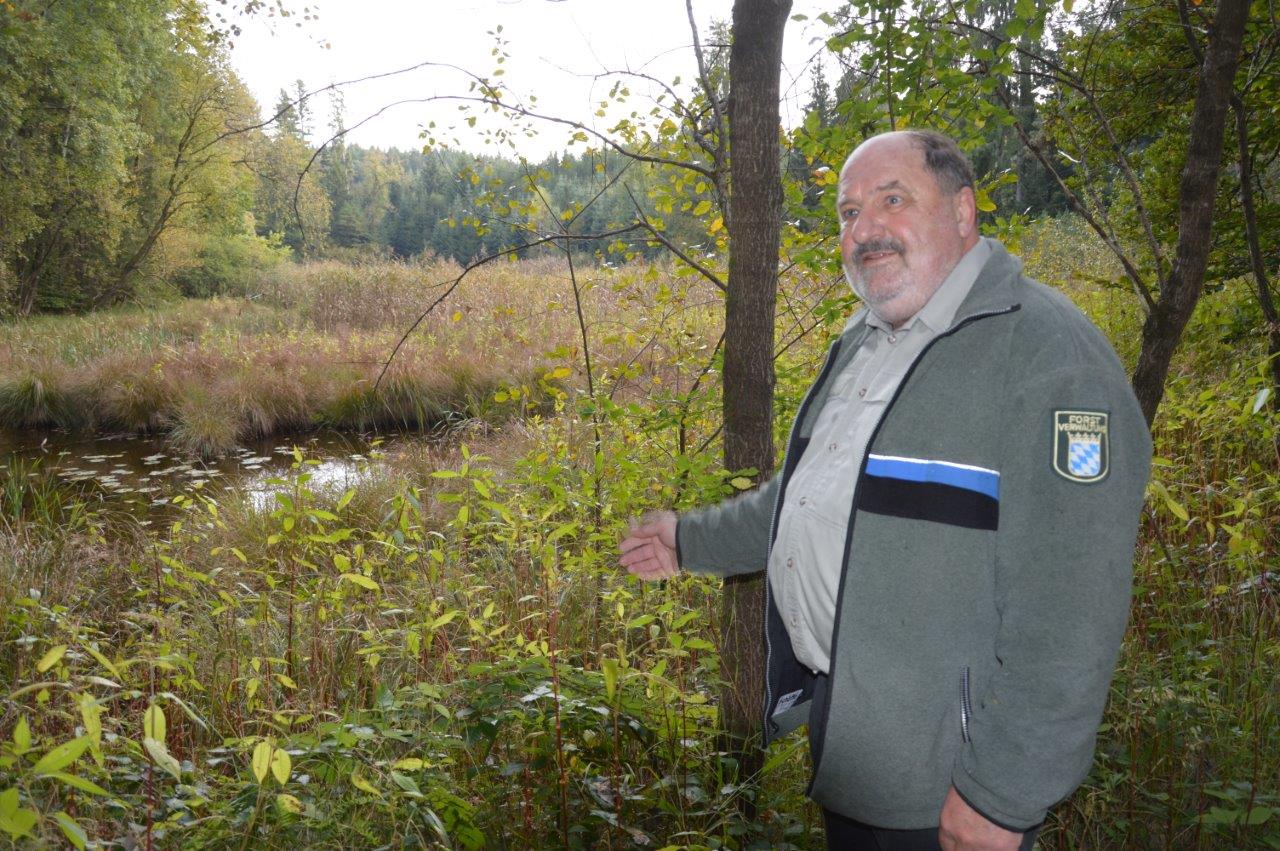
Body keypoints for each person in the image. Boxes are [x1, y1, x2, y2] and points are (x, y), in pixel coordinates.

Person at [618, 130, 1152, 851]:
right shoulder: (867, 341)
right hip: (854, 747)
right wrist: (688, 540)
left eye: (892, 200)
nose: (864, 229)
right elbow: (808, 498)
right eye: (848, 212)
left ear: (962, 211)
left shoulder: (1049, 357)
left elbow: (1072, 608)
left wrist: (1003, 795)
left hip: (950, 784)